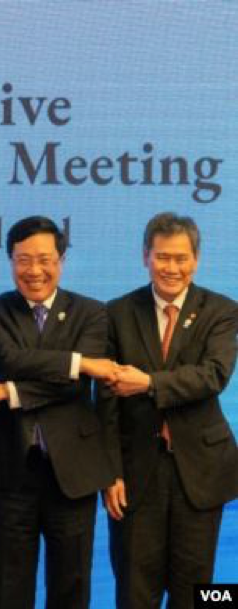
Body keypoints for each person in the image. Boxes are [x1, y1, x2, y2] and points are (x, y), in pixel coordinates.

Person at [0, 215, 118, 609]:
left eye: (44, 259)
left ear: (61, 260)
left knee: (71, 584)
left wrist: (8, 392)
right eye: (23, 260)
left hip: (73, 469)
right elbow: (7, 361)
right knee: (10, 584)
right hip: (10, 468)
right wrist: (79, 363)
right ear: (10, 260)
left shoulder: (92, 312)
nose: (34, 271)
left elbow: (70, 387)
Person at [100, 212, 238, 609]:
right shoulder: (116, 313)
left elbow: (212, 375)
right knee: (134, 588)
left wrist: (148, 383)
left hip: (200, 470)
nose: (171, 268)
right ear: (146, 256)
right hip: (135, 472)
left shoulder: (221, 310)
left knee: (197, 591)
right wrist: (110, 472)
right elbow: (105, 402)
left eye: (181, 258)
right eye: (162, 257)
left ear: (196, 259)